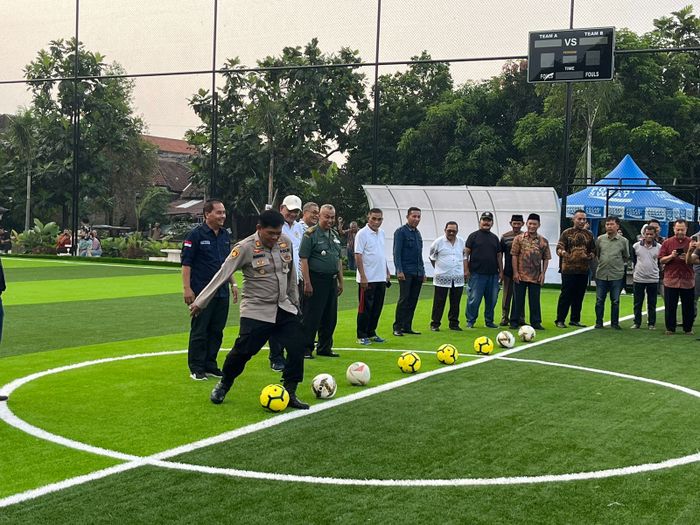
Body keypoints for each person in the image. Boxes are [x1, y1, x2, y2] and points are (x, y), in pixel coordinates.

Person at [191, 210, 309, 410]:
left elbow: (291, 277)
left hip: (283, 306)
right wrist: (200, 302)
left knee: (298, 347)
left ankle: (290, 391)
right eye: (270, 233)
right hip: (256, 309)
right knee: (242, 352)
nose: (274, 237)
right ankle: (224, 383)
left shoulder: (285, 242)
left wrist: (295, 305)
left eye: (277, 233)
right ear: (259, 229)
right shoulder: (245, 247)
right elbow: (223, 273)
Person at [181, 199, 236, 381]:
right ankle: (196, 367)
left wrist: (233, 283)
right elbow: (186, 264)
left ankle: (210, 364)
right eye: (219, 212)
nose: (223, 216)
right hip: (202, 292)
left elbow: (228, 264)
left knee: (216, 330)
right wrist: (187, 289)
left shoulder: (225, 235)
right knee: (200, 330)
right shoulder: (195, 235)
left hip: (222, 292)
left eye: (224, 212)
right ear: (207, 214)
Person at [299, 204, 344, 358]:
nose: (330, 220)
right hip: (316, 279)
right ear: (319, 216)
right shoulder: (310, 235)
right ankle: (305, 348)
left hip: (331, 280)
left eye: (332, 217)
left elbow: (338, 260)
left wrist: (341, 281)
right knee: (312, 316)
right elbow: (304, 259)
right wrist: (307, 282)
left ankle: (325, 348)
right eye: (327, 217)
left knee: (330, 317)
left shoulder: (335, 235)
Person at [267, 194, 304, 372]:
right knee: (277, 319)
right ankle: (276, 357)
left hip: (295, 280)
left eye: (296, 211)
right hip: (278, 280)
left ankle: (291, 354)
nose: (293, 214)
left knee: (293, 319)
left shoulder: (299, 228)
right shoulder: (274, 227)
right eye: (290, 210)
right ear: (282, 208)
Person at [555, 209, 596, 328]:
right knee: (566, 295)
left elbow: (593, 250)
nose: (582, 221)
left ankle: (575, 319)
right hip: (568, 269)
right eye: (579, 219)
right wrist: (564, 253)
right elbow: (559, 247)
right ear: (573, 219)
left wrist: (590, 256)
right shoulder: (566, 233)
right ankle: (560, 319)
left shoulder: (589, 234)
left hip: (583, 270)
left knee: (579, 296)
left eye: (584, 219)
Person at [355, 208, 391, 345]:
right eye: (374, 219)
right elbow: (358, 255)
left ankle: (371, 332)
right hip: (368, 278)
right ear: (368, 218)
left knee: (377, 307)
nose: (376, 222)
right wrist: (363, 276)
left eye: (379, 219)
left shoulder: (382, 233)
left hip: (380, 278)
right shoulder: (362, 234)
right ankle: (361, 335)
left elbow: (381, 254)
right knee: (365, 308)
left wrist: (386, 272)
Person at [510, 213, 550, 330]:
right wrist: (515, 272)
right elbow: (514, 256)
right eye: (530, 224)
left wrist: (543, 273)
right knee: (518, 300)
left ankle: (536, 322)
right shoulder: (519, 238)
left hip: (535, 276)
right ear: (526, 224)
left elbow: (546, 258)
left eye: (535, 224)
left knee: (534, 300)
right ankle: (514, 321)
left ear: (539, 225)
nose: (532, 226)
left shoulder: (543, 241)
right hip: (521, 275)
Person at [465, 211, 503, 329]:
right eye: (484, 220)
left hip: (493, 275)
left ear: (492, 223)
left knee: (492, 300)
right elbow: (466, 254)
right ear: (480, 221)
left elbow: (499, 256)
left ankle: (489, 321)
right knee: (474, 299)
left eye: (489, 220)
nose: (486, 222)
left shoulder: (495, 238)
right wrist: (466, 270)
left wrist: (501, 271)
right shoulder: (473, 236)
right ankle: (470, 321)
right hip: (476, 274)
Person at [392, 207, 426, 336]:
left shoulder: (417, 233)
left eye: (418, 217)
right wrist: (399, 270)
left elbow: (420, 254)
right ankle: (397, 327)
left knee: (413, 300)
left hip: (417, 272)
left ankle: (407, 326)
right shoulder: (401, 232)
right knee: (404, 299)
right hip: (406, 271)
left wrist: (422, 271)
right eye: (414, 216)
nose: (416, 219)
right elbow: (397, 253)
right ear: (407, 217)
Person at [429, 221, 467, 332]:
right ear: (445, 230)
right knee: (439, 302)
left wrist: (465, 271)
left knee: (455, 302)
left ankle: (454, 323)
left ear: (457, 231)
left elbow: (464, 257)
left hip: (457, 277)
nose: (451, 233)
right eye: (449, 230)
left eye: (454, 231)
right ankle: (435, 324)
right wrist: (439, 269)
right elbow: (432, 257)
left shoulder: (461, 242)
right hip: (442, 277)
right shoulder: (438, 242)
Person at [659, 219, 694, 335]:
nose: (680, 232)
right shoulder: (667, 242)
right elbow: (661, 259)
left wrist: (688, 258)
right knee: (670, 305)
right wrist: (671, 256)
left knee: (688, 306)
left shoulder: (691, 242)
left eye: (682, 230)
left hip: (687, 278)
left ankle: (688, 328)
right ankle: (670, 328)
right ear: (673, 229)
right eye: (678, 229)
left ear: (686, 229)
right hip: (671, 278)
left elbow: (696, 259)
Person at [594, 216, 630, 330]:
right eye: (607, 224)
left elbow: (626, 256)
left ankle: (615, 323)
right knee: (600, 300)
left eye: (612, 224)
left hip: (616, 274)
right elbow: (597, 254)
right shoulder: (600, 239)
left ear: (617, 226)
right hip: (602, 274)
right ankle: (599, 322)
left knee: (615, 300)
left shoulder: (623, 241)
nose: (609, 226)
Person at [631, 225, 660, 329]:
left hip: (653, 278)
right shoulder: (636, 246)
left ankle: (651, 323)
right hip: (639, 278)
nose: (648, 236)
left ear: (655, 235)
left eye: (651, 234)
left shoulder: (659, 247)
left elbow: (660, 262)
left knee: (652, 303)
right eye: (647, 234)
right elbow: (634, 260)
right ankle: (637, 322)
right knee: (637, 302)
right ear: (643, 234)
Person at [499, 214, 524, 326]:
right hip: (508, 271)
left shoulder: (526, 236)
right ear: (511, 223)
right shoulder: (505, 237)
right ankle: (505, 318)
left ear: (523, 224)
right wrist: (501, 270)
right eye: (514, 223)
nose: (516, 226)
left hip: (523, 272)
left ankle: (521, 318)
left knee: (520, 295)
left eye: (519, 224)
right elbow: (500, 255)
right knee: (506, 295)